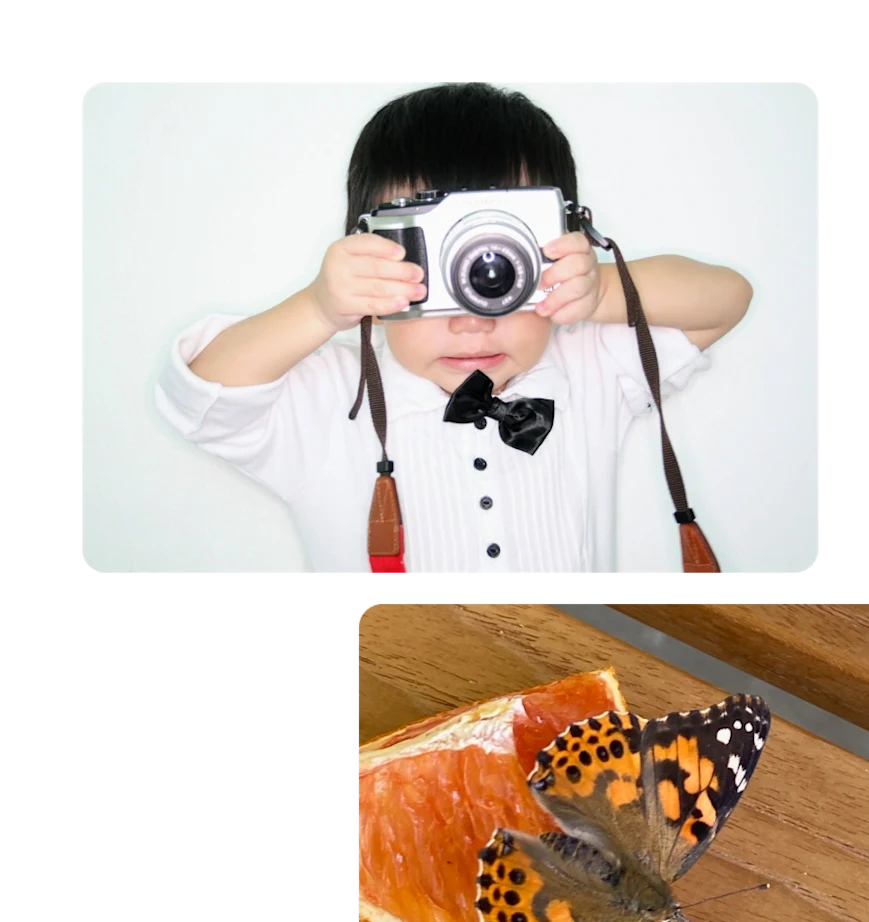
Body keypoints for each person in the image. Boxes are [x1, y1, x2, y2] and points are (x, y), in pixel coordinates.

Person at [154, 84, 753, 574]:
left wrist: (598, 290)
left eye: (499, 271)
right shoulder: (330, 400)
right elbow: (202, 394)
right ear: (367, 253)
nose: (472, 320)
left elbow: (726, 299)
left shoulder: (588, 366)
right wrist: (318, 308)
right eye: (429, 272)